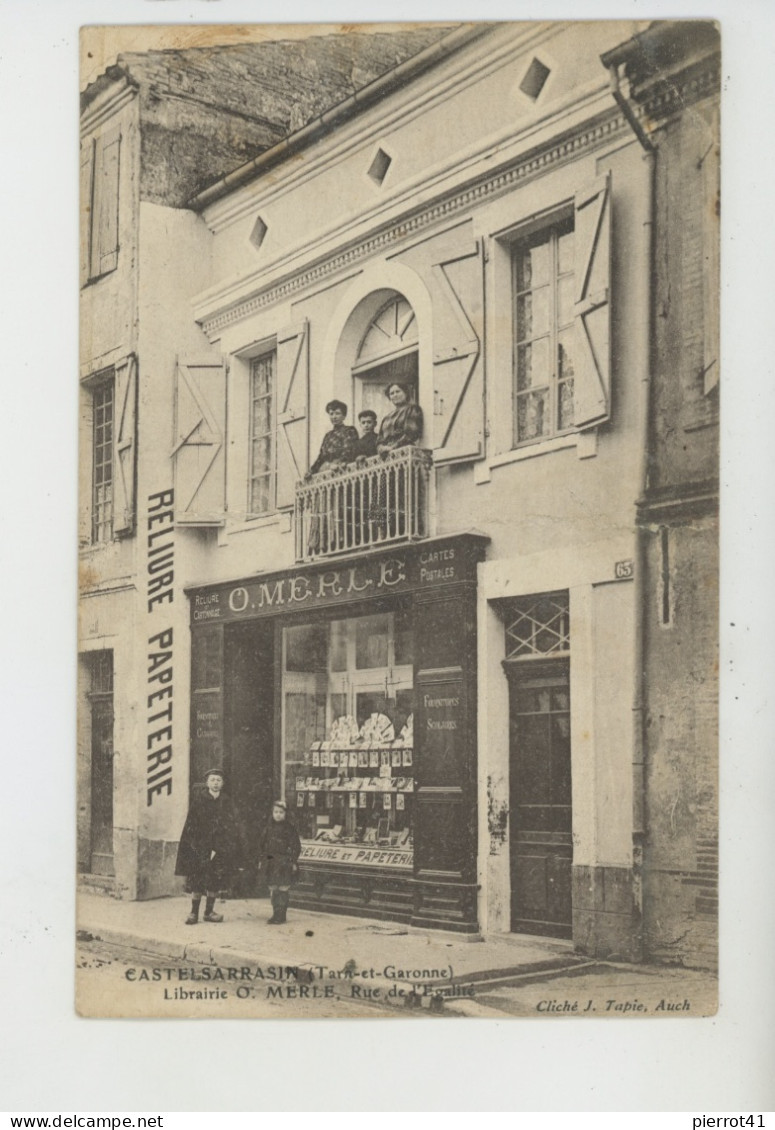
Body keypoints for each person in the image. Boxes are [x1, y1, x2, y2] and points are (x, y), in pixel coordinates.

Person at [174, 768, 241, 925]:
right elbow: (192, 824)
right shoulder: (199, 800)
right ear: (207, 783)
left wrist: (223, 845)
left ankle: (209, 911)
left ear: (222, 783)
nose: (215, 783)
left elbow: (231, 825)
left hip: (219, 848)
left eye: (218, 780)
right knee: (197, 879)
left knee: (215, 878)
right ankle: (193, 912)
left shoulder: (226, 801)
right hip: (201, 846)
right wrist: (198, 845)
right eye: (212, 780)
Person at [258, 799, 302, 925]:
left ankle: (282, 915)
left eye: (281, 812)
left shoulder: (290, 828)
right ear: (272, 813)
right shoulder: (268, 828)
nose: (278, 814)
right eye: (276, 812)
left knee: (283, 887)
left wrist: (292, 860)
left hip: (284, 862)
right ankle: (275, 913)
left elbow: (296, 846)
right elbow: (261, 845)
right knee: (273, 887)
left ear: (285, 814)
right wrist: (262, 859)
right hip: (271, 861)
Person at [305, 400, 359, 477]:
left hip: (341, 469)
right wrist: (312, 470)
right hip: (325, 470)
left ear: (344, 416)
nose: (334, 417)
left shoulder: (349, 430)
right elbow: (321, 457)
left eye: (337, 413)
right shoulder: (328, 435)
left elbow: (349, 450)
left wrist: (340, 462)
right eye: (331, 414)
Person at [376, 382, 423, 455]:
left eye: (398, 391)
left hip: (404, 452)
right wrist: (380, 448)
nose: (395, 395)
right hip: (387, 456)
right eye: (392, 393)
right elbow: (379, 439)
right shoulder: (387, 418)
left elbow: (411, 433)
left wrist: (393, 447)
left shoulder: (412, 409)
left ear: (406, 393)